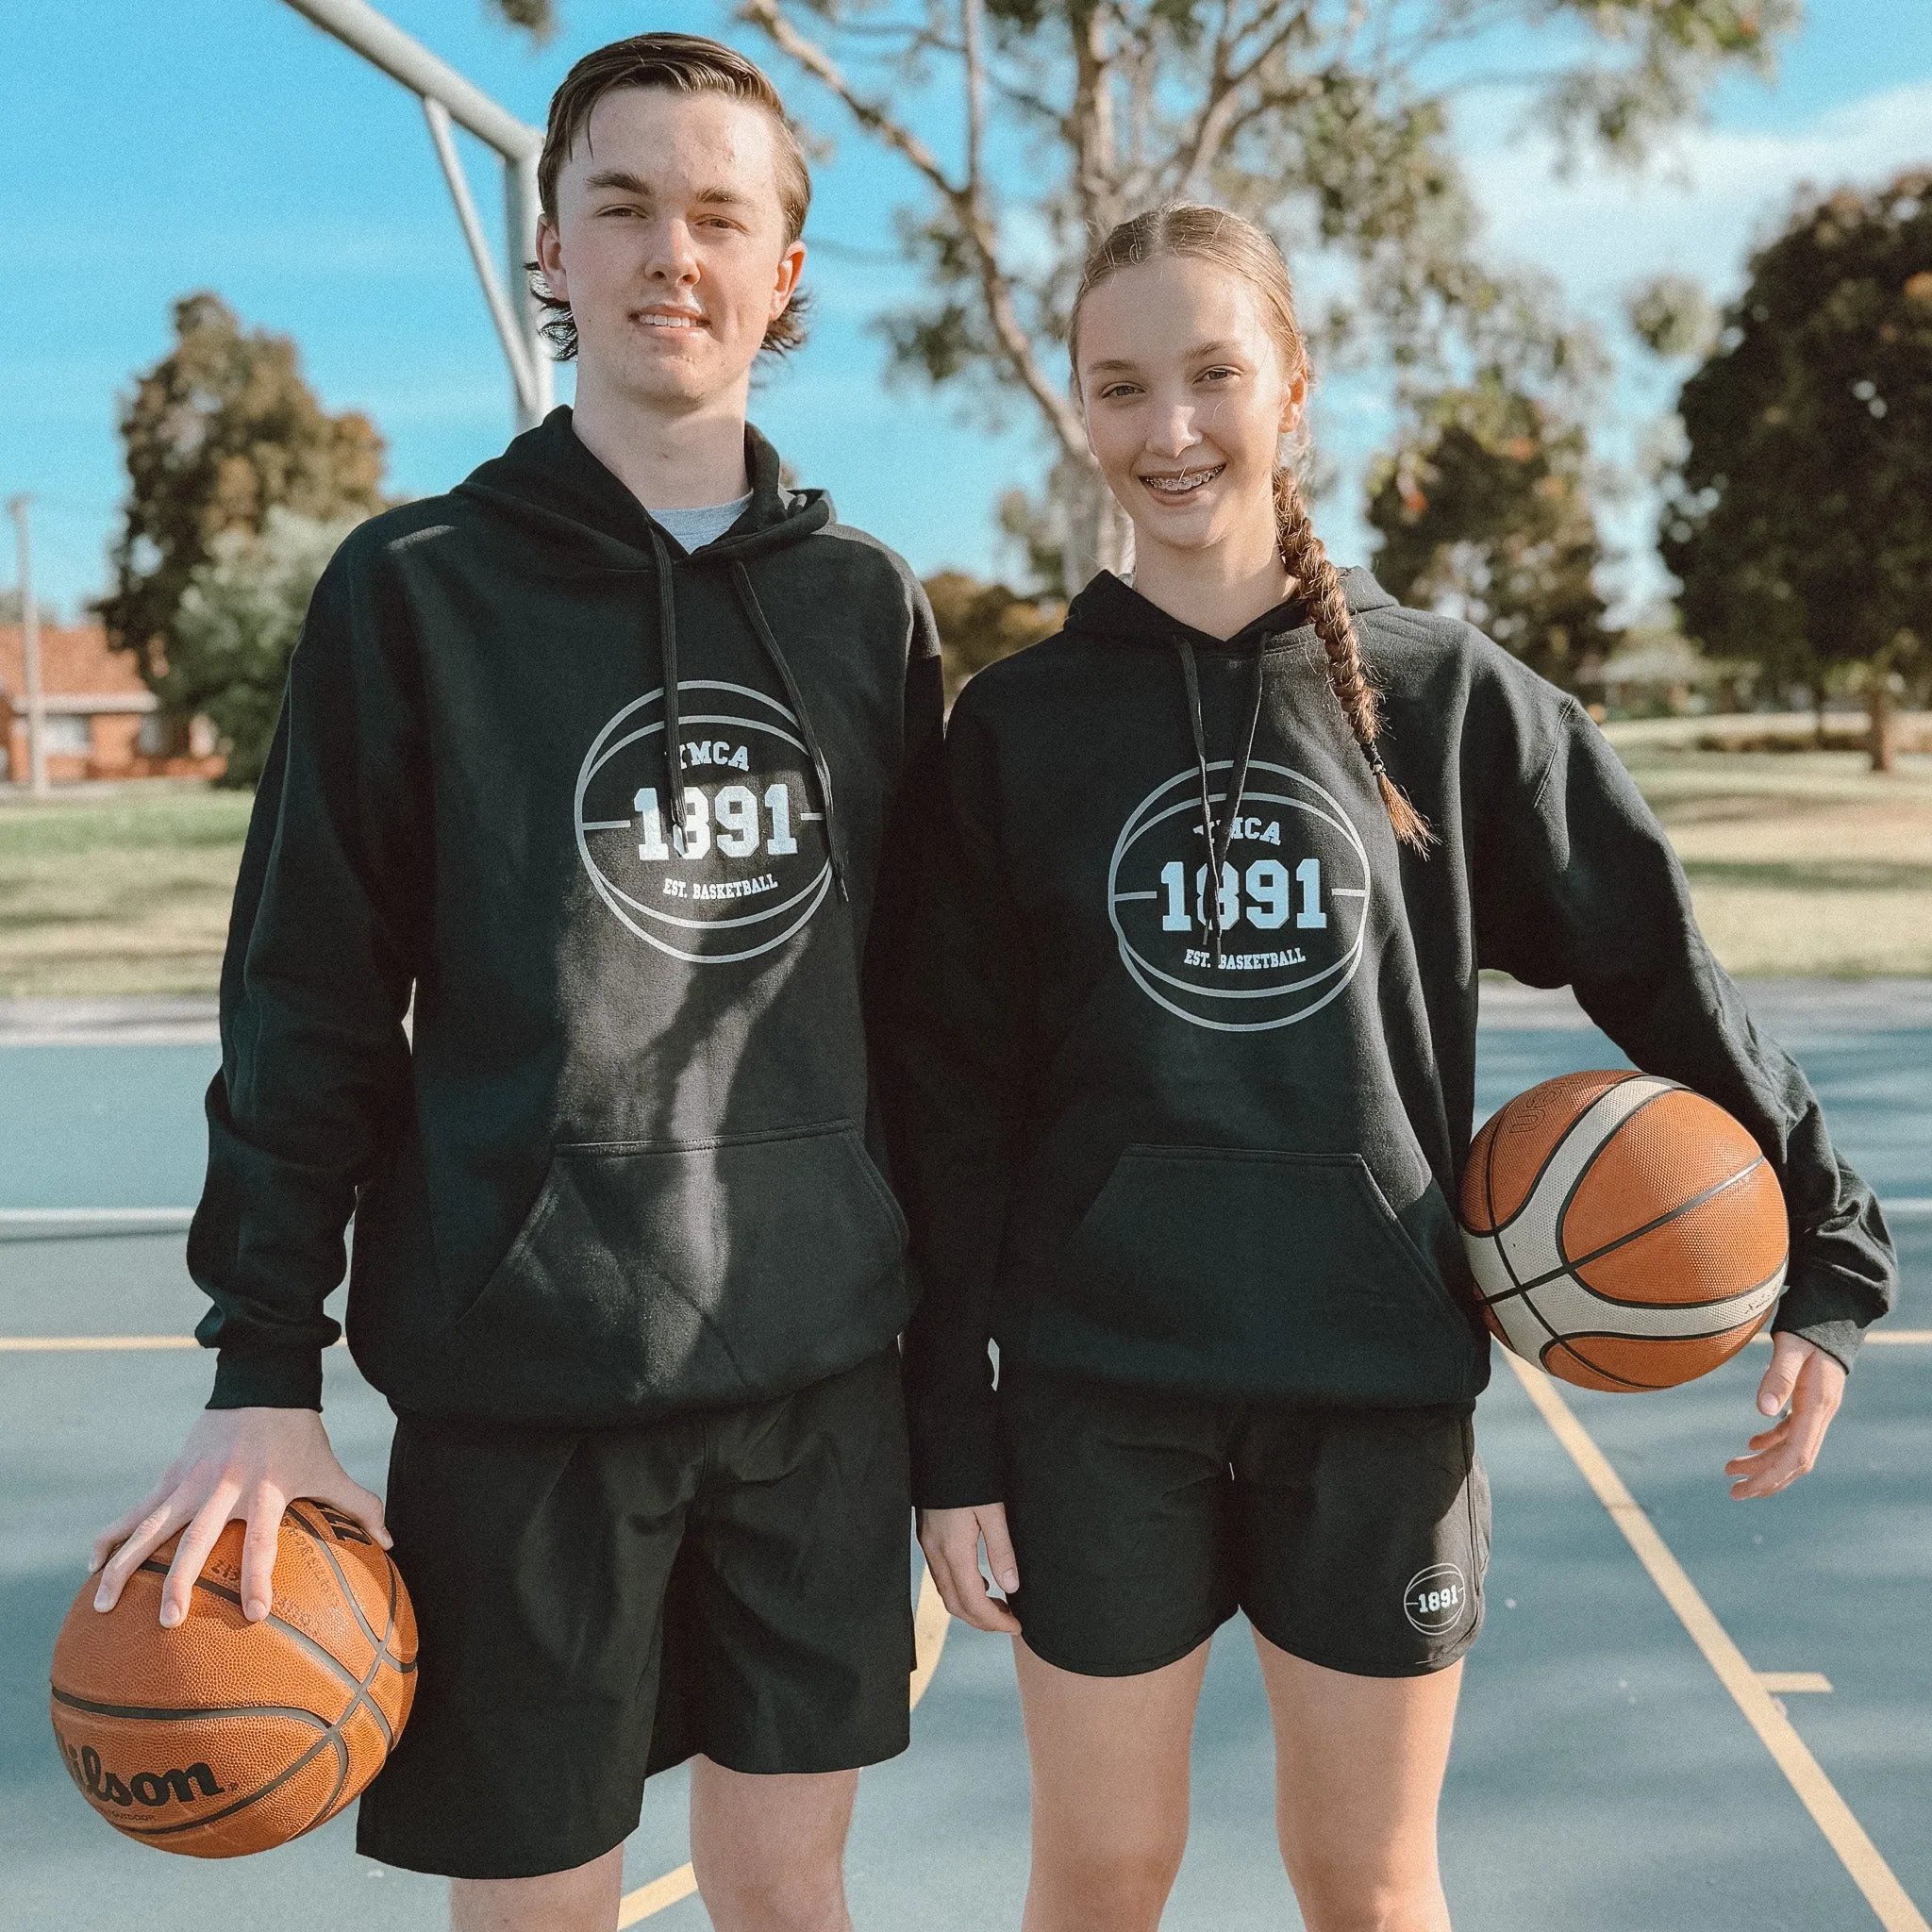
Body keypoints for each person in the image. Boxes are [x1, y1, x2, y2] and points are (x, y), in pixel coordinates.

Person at [891, 204, 1895, 1932]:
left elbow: (1660, 971)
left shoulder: (1450, 699)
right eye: (1120, 388)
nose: (1171, 429)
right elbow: (950, 1099)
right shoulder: (1018, 730)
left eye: (1213, 375)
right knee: (1104, 1872)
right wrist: (949, 1433)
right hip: (1098, 1394)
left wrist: (1827, 1249)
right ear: (1078, 410)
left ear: (1296, 383)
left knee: (1365, 1887)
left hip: (1374, 1381)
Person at [88, 35, 941, 1932]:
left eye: (720, 213)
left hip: (818, 1375)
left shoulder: (866, 609)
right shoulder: (416, 589)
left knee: (792, 1897)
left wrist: (957, 1390)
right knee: (536, 1909)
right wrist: (261, 1369)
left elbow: (931, 1032)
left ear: (782, 269)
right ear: (549, 241)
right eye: (622, 203)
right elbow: (304, 995)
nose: (671, 252)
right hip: (524, 1380)